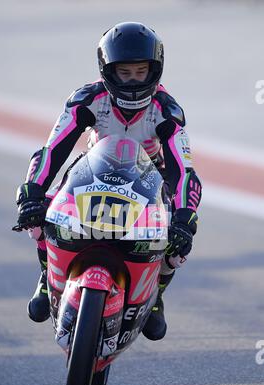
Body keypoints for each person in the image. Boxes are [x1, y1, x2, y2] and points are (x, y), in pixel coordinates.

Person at [15, 22, 202, 341]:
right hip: (92, 170)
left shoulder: (167, 110)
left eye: (140, 72)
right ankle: (48, 276)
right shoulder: (86, 98)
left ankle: (155, 295)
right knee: (42, 215)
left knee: (177, 242)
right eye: (124, 73)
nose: (132, 81)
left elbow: (184, 171)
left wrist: (185, 218)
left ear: (154, 70)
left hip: (148, 179)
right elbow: (52, 150)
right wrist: (31, 191)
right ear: (107, 70)